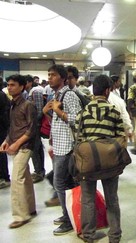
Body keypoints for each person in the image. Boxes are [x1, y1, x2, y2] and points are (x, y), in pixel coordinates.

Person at [76, 75, 125, 243]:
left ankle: (88, 236)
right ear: (107, 91)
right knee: (112, 199)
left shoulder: (83, 112)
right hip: (109, 162)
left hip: (88, 163)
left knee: (88, 200)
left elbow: (79, 136)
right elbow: (120, 136)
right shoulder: (114, 111)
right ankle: (115, 236)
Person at [43, 64, 81, 235]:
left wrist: (57, 110)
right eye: (49, 74)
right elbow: (60, 120)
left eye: (53, 75)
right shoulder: (56, 94)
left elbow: (78, 120)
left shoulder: (69, 95)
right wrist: (48, 113)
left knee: (59, 183)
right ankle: (70, 215)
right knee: (67, 183)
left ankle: (67, 219)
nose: (50, 77)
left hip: (67, 147)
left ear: (63, 78)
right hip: (59, 144)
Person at [0, 74, 37, 229]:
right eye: (8, 85)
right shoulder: (12, 104)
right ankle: (30, 208)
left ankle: (20, 215)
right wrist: (6, 141)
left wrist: (17, 144)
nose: (9, 87)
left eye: (13, 85)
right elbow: (13, 127)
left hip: (25, 146)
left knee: (16, 179)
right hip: (15, 144)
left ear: (22, 87)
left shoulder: (28, 105)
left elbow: (31, 129)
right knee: (25, 178)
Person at [25, 75, 46, 183]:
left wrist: (34, 123)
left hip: (35, 125)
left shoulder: (35, 91)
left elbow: (39, 110)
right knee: (37, 148)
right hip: (34, 124)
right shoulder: (33, 91)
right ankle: (40, 171)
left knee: (35, 149)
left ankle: (39, 172)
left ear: (29, 82)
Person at [109, 75, 133, 140]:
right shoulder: (117, 100)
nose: (120, 83)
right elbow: (124, 115)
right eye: (119, 81)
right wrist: (129, 128)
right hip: (116, 128)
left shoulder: (118, 92)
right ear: (114, 83)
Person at [0, 76, 11, 189]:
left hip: (2, 129)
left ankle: (4, 177)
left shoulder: (1, 96)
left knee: (1, 154)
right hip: (3, 128)